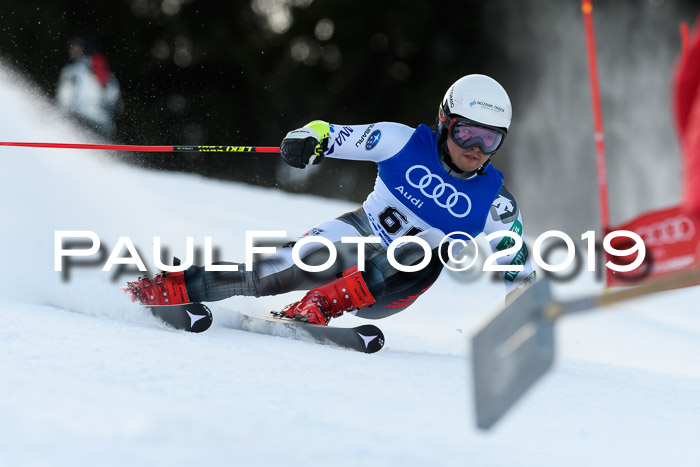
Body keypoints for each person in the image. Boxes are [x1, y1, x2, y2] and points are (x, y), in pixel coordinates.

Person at [124, 74, 536, 325]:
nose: (477, 148)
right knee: (273, 271)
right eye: (468, 133)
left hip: (394, 288)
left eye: (491, 138)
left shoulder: (496, 204)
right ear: (446, 122)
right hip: (359, 235)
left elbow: (519, 268)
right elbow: (332, 133)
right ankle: (170, 288)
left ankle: (321, 302)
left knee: (430, 247)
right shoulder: (401, 141)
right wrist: (308, 138)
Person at [56, 37, 122, 138]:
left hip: (82, 119)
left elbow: (64, 97)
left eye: (75, 48)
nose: (72, 51)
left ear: (83, 49)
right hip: (103, 121)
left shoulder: (73, 71)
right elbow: (114, 98)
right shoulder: (102, 69)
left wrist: (64, 116)